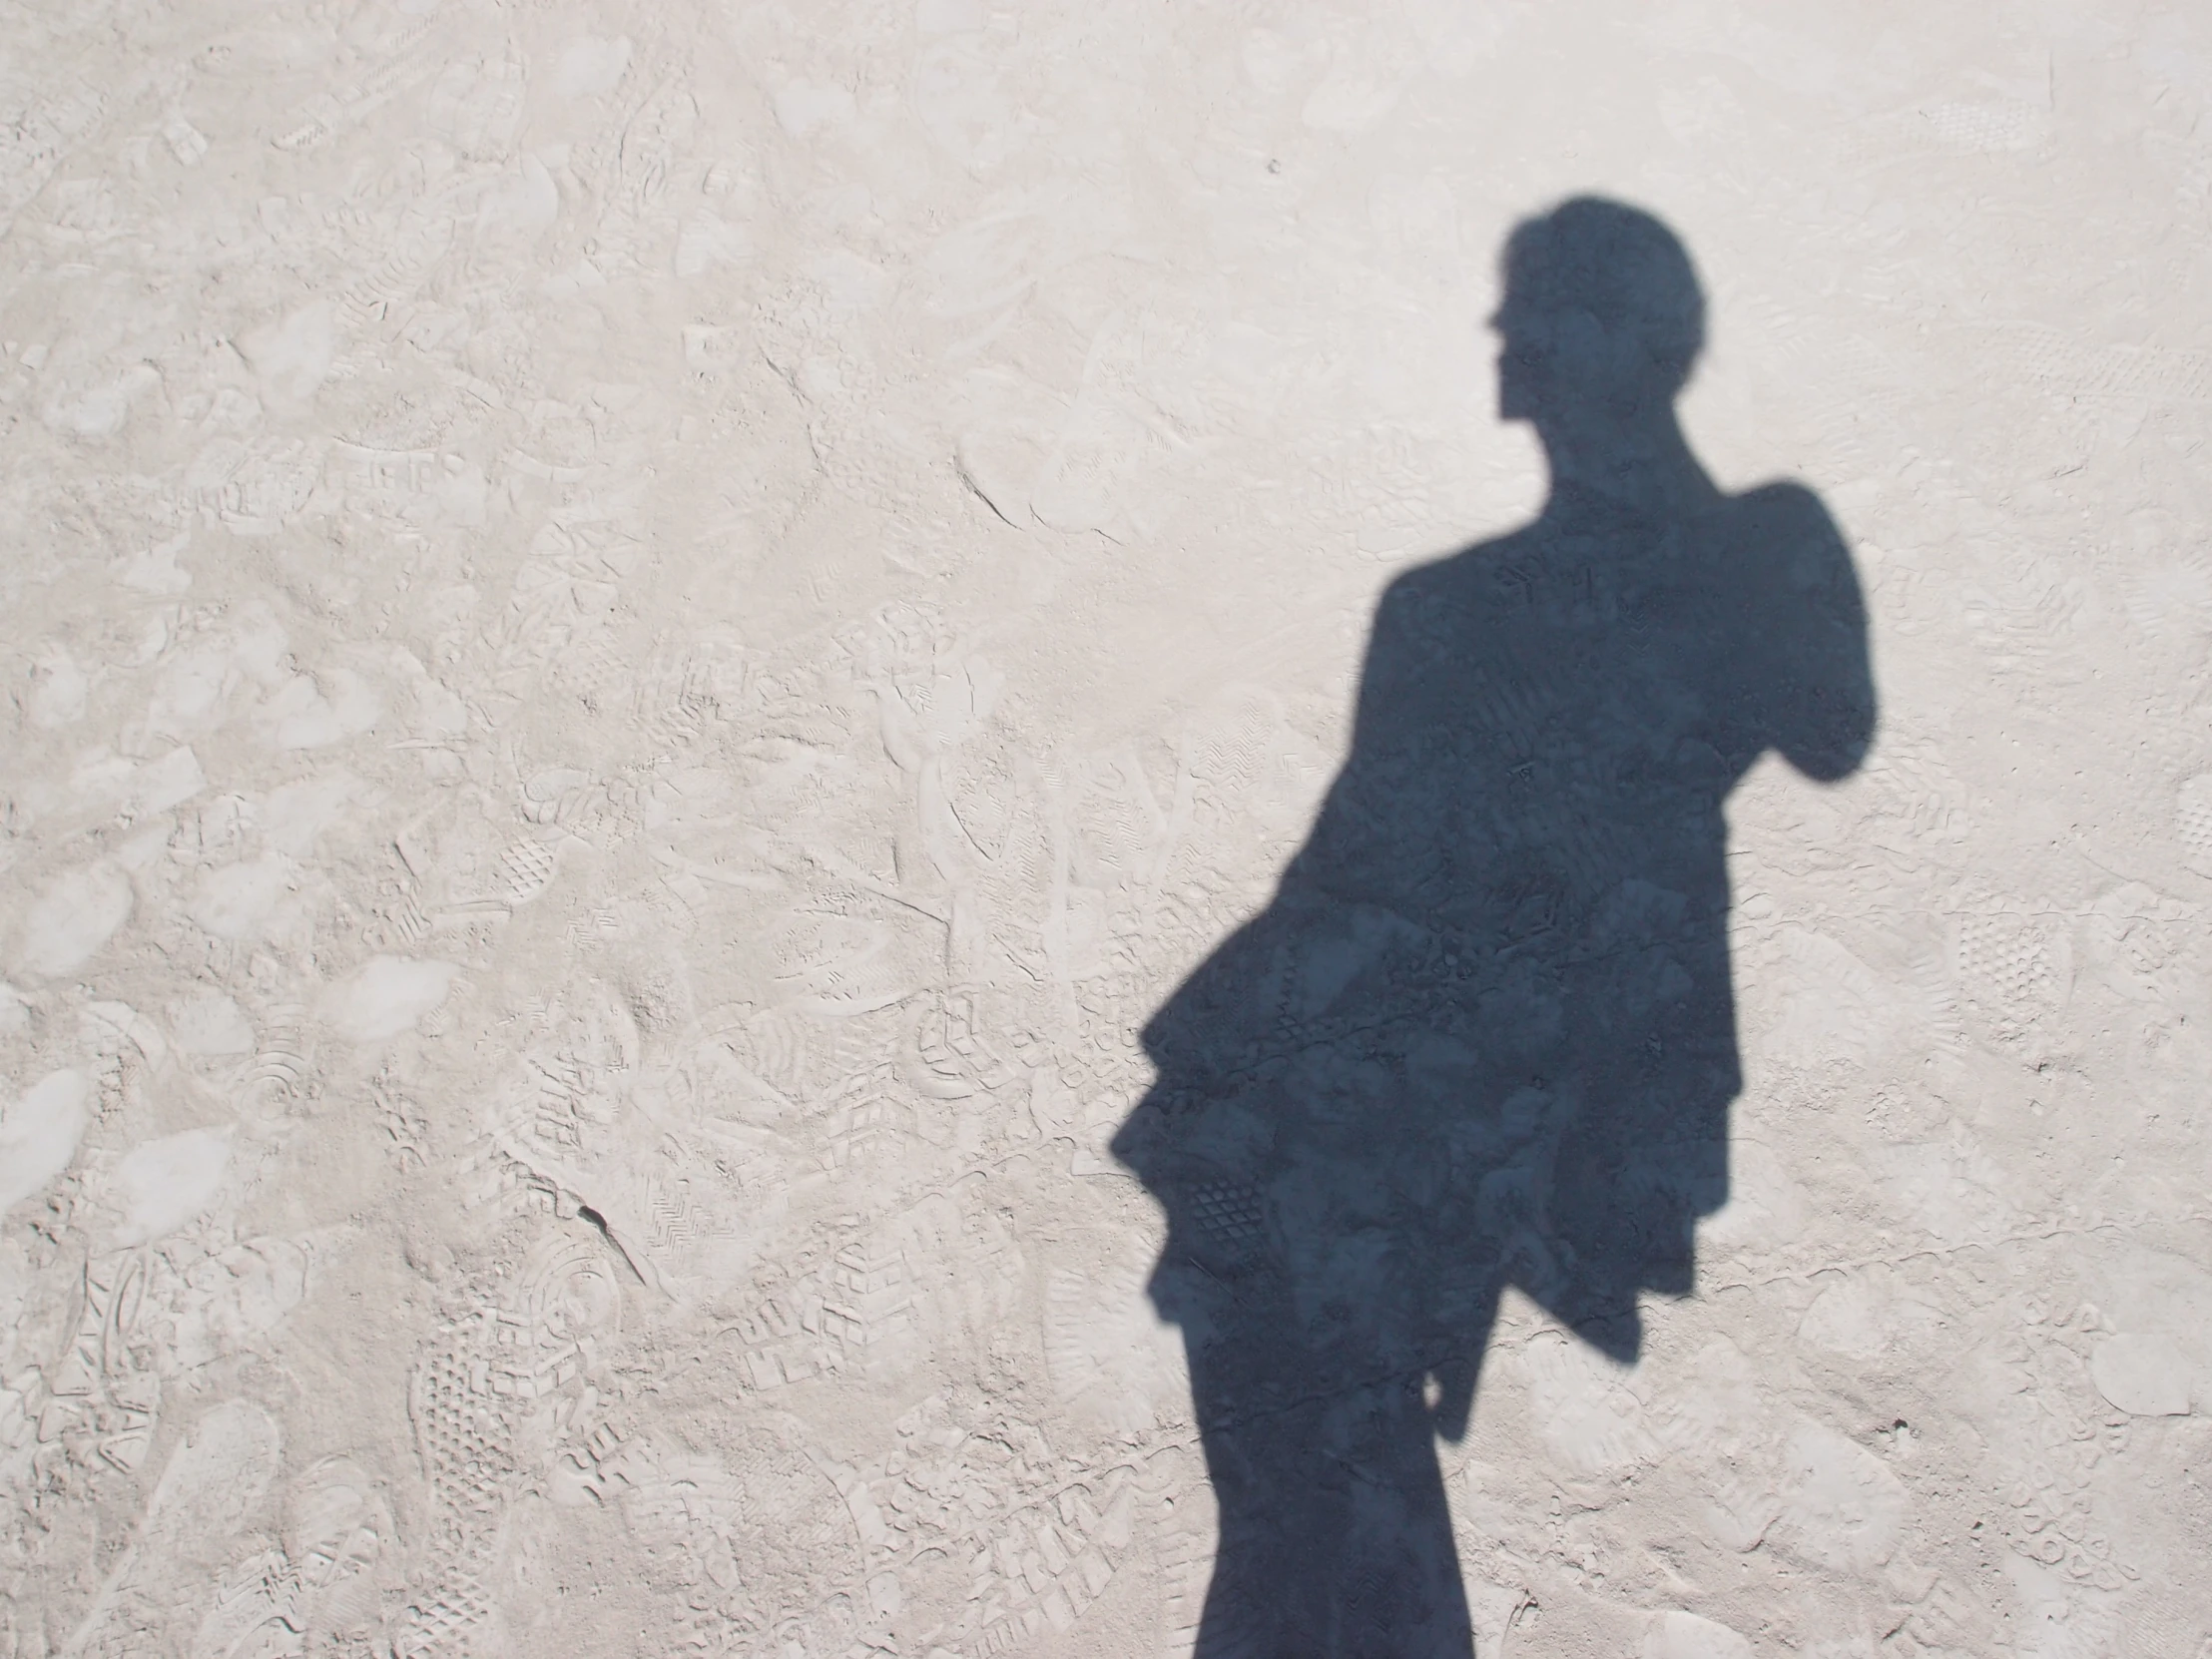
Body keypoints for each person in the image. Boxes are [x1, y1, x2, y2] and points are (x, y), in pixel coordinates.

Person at [1111, 198, 1876, 1657]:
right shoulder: (1444, 609)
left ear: (1631, 342)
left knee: (1314, 1470)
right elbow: (1363, 863)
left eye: (1535, 308)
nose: (1502, 340)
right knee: (1303, 1458)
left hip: (1495, 1066)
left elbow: (1828, 725)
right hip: (1357, 1058)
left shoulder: (1728, 556)